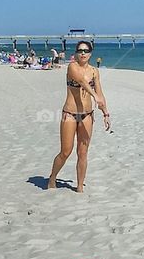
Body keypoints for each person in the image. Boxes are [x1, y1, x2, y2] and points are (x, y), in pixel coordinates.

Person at [47, 40, 110, 193]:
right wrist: (94, 95)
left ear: (90, 54)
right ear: (76, 53)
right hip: (70, 114)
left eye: (86, 51)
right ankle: (52, 177)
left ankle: (80, 186)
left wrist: (105, 113)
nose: (83, 53)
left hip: (87, 115)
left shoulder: (94, 71)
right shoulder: (72, 67)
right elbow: (81, 81)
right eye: (80, 50)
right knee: (66, 151)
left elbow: (100, 93)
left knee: (83, 153)